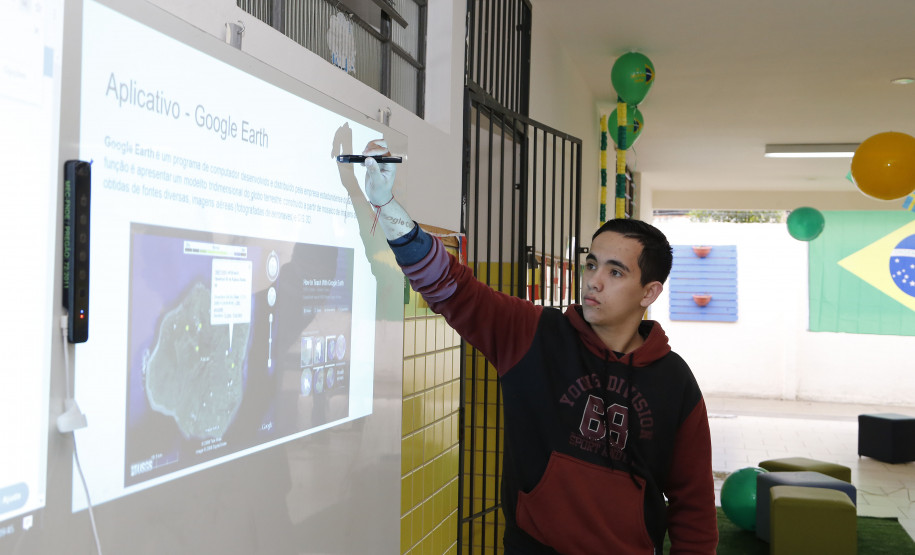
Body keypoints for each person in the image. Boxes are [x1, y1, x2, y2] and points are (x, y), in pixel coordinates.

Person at [358, 139, 718, 554]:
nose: (594, 281)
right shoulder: (533, 333)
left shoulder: (674, 381)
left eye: (615, 272)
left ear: (649, 292)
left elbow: (694, 510)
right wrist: (387, 208)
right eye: (591, 264)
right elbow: (453, 290)